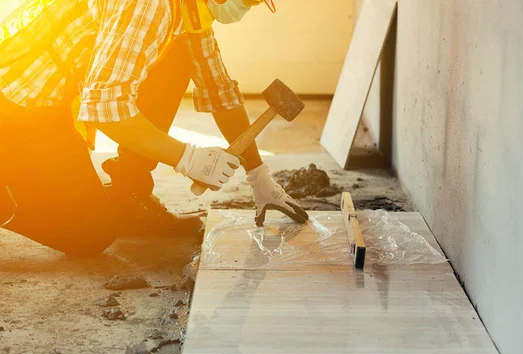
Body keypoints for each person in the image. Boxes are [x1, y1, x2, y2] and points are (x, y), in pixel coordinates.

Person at [0, 0, 307, 257]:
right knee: (90, 233)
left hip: (46, 105)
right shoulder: (148, 4)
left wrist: (259, 176)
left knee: (178, 55)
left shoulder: (189, 12)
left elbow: (218, 89)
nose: (245, 7)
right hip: (13, 110)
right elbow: (106, 106)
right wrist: (189, 158)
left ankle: (128, 197)